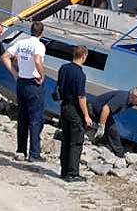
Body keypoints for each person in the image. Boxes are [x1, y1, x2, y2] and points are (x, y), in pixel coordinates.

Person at [2, 21, 46, 162]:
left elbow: (5, 56)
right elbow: (38, 61)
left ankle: (21, 149)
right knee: (35, 119)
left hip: (21, 82)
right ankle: (34, 153)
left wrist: (14, 73)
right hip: (33, 83)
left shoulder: (21, 43)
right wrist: (42, 75)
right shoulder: (39, 45)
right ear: (41, 33)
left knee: (22, 117)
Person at [57, 45, 91, 182]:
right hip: (74, 108)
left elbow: (59, 87)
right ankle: (72, 173)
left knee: (65, 139)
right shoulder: (80, 74)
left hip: (64, 105)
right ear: (83, 56)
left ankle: (64, 171)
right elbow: (81, 97)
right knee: (76, 141)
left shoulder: (63, 68)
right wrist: (86, 115)